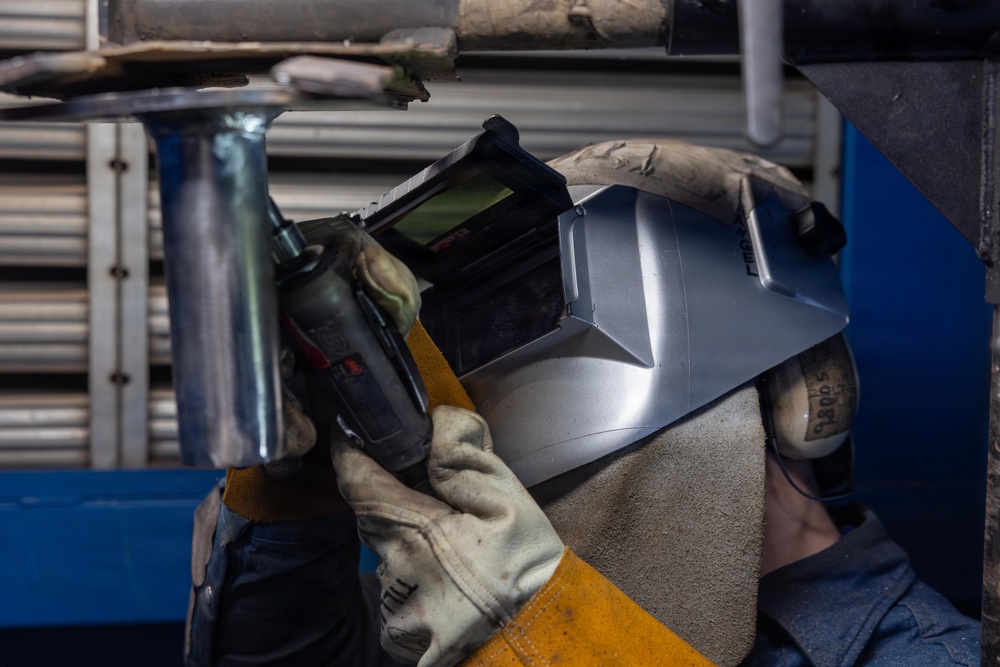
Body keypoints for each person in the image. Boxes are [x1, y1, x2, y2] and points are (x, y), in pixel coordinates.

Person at [185, 141, 980, 666]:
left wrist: (532, 634)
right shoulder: (456, 606)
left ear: (811, 396)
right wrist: (290, 484)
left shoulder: (931, 657)